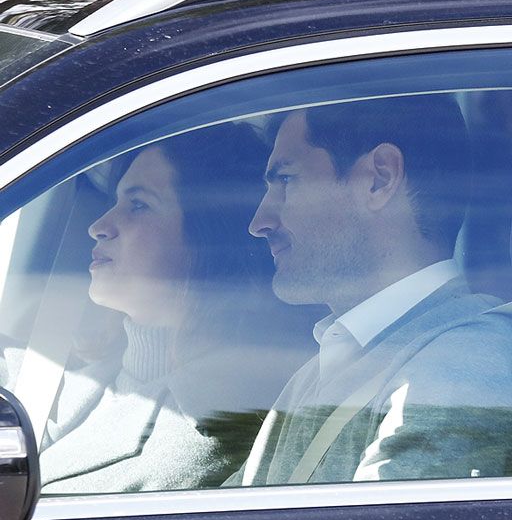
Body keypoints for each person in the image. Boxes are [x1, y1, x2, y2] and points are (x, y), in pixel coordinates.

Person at [227, 95, 512, 486]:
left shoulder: (464, 365)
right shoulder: (316, 373)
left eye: (286, 180)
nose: (259, 222)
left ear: (379, 178)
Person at [37, 122, 272, 493]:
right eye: (116, 203)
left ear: (206, 237)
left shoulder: (205, 433)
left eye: (139, 205)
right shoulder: (55, 376)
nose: (99, 226)